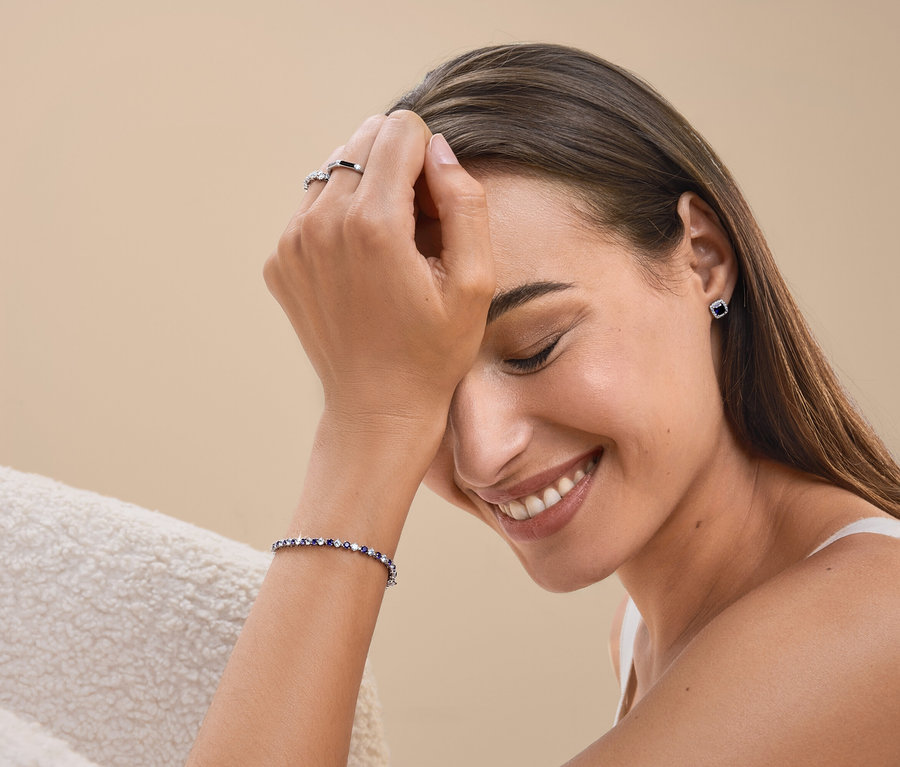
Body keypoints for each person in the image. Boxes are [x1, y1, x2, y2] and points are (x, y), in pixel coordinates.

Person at [185, 43, 900, 766]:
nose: (482, 453)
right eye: (425, 387)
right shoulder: (641, 629)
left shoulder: (866, 625)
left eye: (535, 348)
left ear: (703, 257)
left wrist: (364, 432)